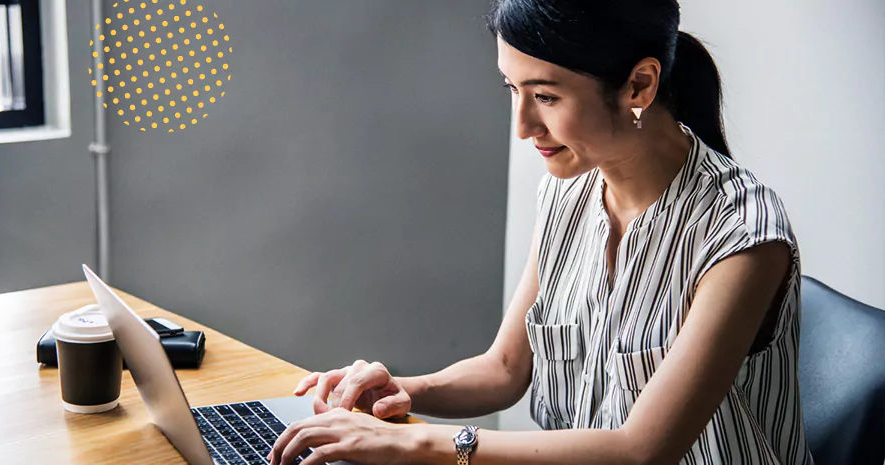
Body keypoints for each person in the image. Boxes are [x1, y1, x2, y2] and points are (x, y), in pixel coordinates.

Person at [268, 0, 815, 463]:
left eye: (546, 96)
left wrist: (413, 442)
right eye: (513, 88)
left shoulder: (741, 234)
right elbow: (505, 368)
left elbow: (639, 451)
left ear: (639, 86)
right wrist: (397, 396)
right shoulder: (567, 190)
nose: (524, 126)